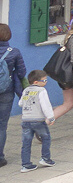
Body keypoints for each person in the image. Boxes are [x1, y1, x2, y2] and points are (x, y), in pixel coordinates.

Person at [0, 23, 27, 168]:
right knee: (2, 125)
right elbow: (22, 72)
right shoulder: (14, 52)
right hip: (6, 90)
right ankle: (0, 158)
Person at [19, 70, 54, 172]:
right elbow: (45, 105)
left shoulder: (26, 90)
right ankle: (46, 158)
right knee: (46, 138)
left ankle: (25, 164)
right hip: (38, 120)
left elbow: (20, 103)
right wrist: (50, 117)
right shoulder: (41, 91)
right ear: (36, 82)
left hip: (25, 120)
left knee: (26, 142)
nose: (46, 82)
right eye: (44, 80)